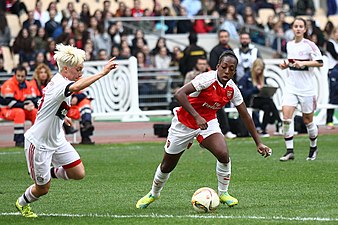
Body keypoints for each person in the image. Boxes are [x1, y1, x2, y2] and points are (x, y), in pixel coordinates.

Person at [135, 50, 272, 209]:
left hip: (208, 122)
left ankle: (223, 193)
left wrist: (259, 143)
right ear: (218, 66)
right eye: (224, 67)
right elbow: (179, 94)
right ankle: (153, 193)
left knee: (223, 153)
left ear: (235, 71)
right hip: (184, 122)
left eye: (231, 69)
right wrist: (196, 116)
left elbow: (245, 115)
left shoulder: (232, 89)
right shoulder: (206, 79)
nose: (227, 71)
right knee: (167, 165)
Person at [15, 44, 118, 218]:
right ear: (65, 69)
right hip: (39, 144)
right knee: (43, 189)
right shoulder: (61, 84)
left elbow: (48, 105)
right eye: (78, 69)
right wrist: (102, 73)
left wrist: (62, 117)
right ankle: (22, 202)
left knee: (78, 173)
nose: (81, 73)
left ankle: (49, 172)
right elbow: (76, 88)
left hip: (57, 139)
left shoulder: (60, 81)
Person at [279, 17, 323, 161]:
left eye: (300, 26)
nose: (298, 29)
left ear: (305, 29)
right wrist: (286, 63)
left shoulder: (309, 45)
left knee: (308, 120)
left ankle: (313, 147)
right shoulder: (290, 45)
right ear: (292, 28)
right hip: (291, 86)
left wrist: (304, 63)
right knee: (286, 118)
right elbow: (291, 61)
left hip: (307, 88)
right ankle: (289, 150)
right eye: (295, 26)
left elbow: (320, 62)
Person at [238, 58, 282, 136]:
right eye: (258, 69)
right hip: (250, 101)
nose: (259, 72)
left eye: (261, 70)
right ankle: (278, 120)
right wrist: (255, 89)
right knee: (269, 101)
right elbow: (243, 93)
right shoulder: (246, 77)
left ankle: (263, 129)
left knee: (267, 107)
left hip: (260, 100)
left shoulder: (262, 78)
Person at [30, 63, 78, 134]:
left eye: (45, 72)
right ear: (37, 74)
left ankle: (60, 131)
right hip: (37, 106)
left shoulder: (52, 82)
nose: (43, 74)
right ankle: (65, 128)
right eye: (41, 72)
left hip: (49, 106)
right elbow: (33, 99)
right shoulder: (33, 83)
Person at [209, 29, 237, 139]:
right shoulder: (215, 51)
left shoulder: (230, 50)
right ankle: (224, 130)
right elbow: (213, 67)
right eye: (222, 36)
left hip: (228, 82)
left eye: (226, 36)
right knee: (218, 107)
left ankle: (225, 128)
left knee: (227, 105)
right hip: (217, 83)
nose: (224, 38)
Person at [0, 66, 37, 147]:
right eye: (18, 76)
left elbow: (30, 99)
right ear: (15, 75)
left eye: (22, 76)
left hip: (22, 109)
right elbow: (10, 103)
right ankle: (19, 140)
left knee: (34, 112)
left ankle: (37, 138)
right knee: (19, 112)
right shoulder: (8, 84)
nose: (20, 78)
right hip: (5, 110)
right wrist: (24, 106)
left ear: (25, 76)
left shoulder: (28, 84)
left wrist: (30, 105)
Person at [325, 27, 338, 129]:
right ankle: (329, 120)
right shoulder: (330, 44)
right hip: (333, 71)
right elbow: (335, 55)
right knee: (333, 95)